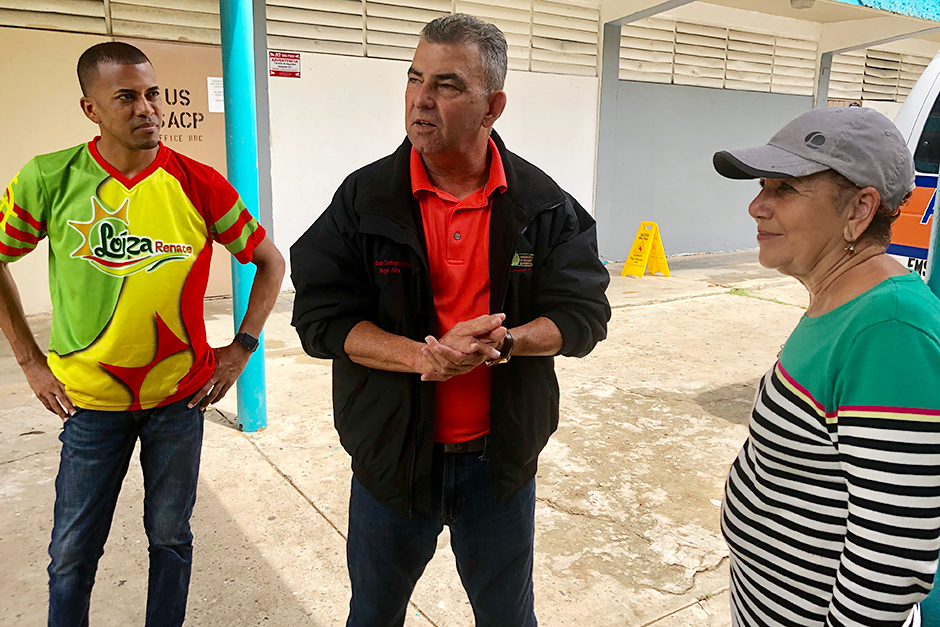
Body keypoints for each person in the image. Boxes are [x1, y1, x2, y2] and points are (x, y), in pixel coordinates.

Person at [290, 13, 610, 627]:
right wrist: (421, 357)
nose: (420, 99)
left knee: (508, 618)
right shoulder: (363, 200)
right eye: (414, 79)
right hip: (392, 462)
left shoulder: (542, 204)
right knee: (374, 615)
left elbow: (584, 315)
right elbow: (320, 318)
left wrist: (509, 342)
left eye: (447, 84)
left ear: (493, 106)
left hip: (500, 466)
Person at [0, 42, 285, 626]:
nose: (147, 108)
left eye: (152, 94)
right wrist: (29, 360)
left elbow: (270, 262)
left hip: (179, 403)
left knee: (170, 540)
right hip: (88, 404)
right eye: (125, 97)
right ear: (91, 109)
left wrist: (242, 349)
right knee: (70, 555)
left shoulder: (198, 183)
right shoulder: (49, 178)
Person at [713, 107, 940, 627]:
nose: (756, 206)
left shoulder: (889, 329)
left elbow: (893, 552)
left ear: (860, 208)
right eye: (762, 185)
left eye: (785, 189)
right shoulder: (841, 301)